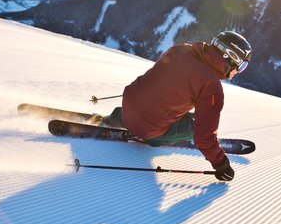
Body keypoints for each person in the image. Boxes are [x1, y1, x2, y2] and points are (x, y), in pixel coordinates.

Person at [104, 31, 252, 181]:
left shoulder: (181, 49)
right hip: (146, 128)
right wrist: (222, 165)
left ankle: (119, 117)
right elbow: (204, 138)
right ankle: (153, 139)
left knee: (174, 111)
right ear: (231, 58)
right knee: (194, 127)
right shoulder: (212, 87)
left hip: (129, 102)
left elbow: (163, 81)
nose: (239, 71)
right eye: (242, 66)